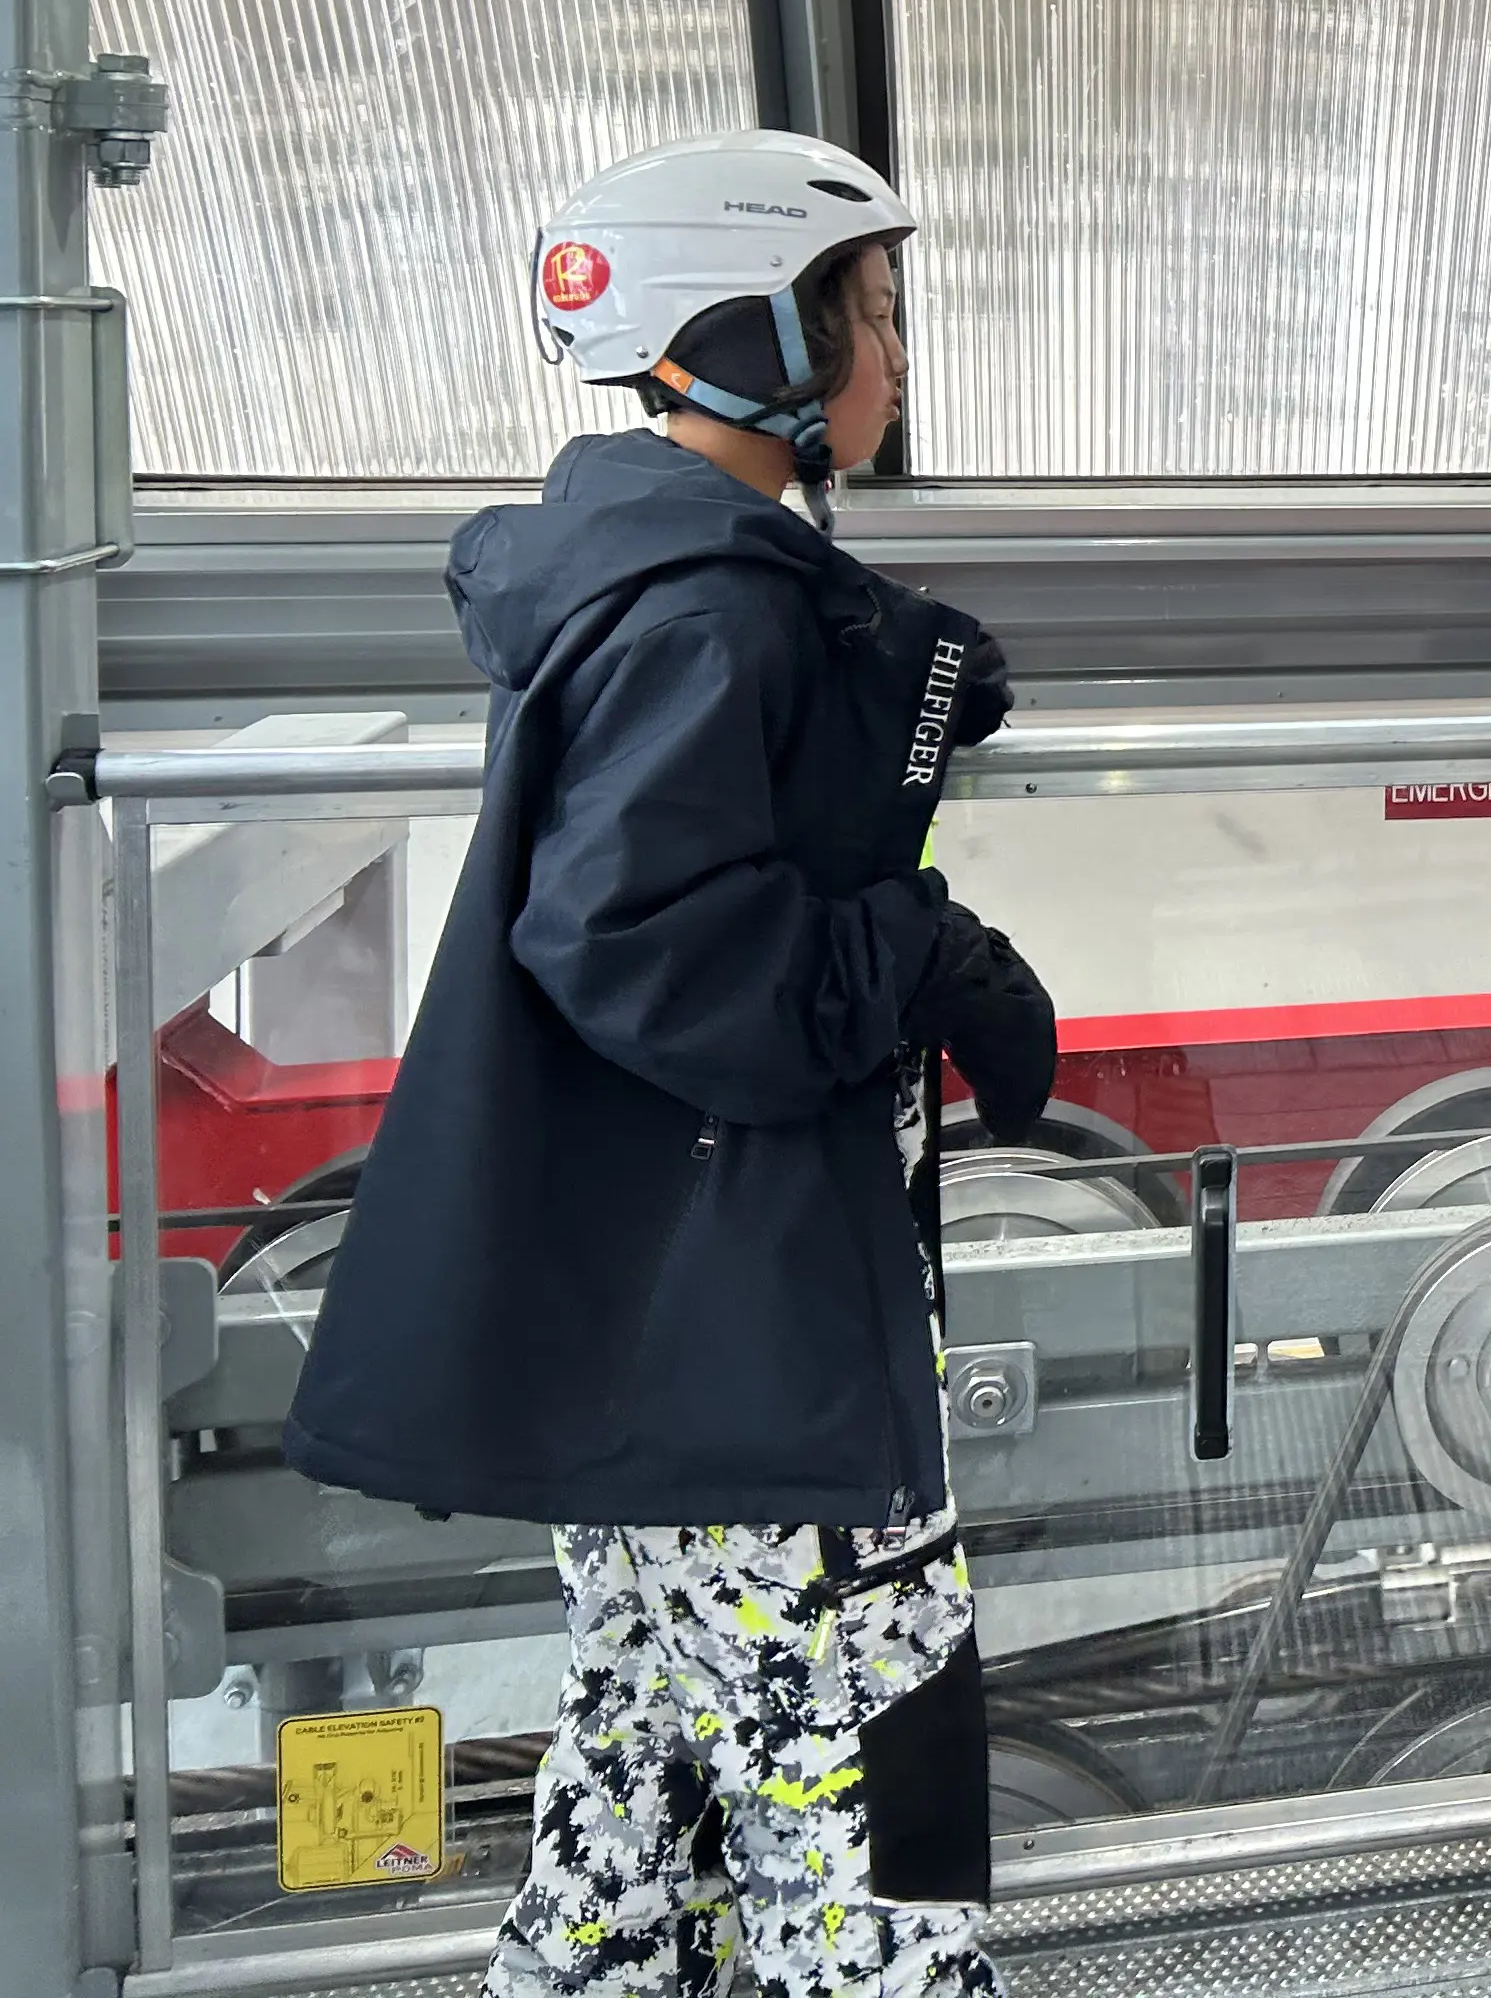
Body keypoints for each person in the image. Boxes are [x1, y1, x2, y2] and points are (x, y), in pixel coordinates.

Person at [283, 130, 1059, 1998]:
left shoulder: (658, 576)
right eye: (864, 310)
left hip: (661, 1336)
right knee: (877, 1804)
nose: (892, 348)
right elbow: (651, 945)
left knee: (645, 1782)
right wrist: (926, 949)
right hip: (759, 1340)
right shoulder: (708, 609)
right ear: (752, 339)